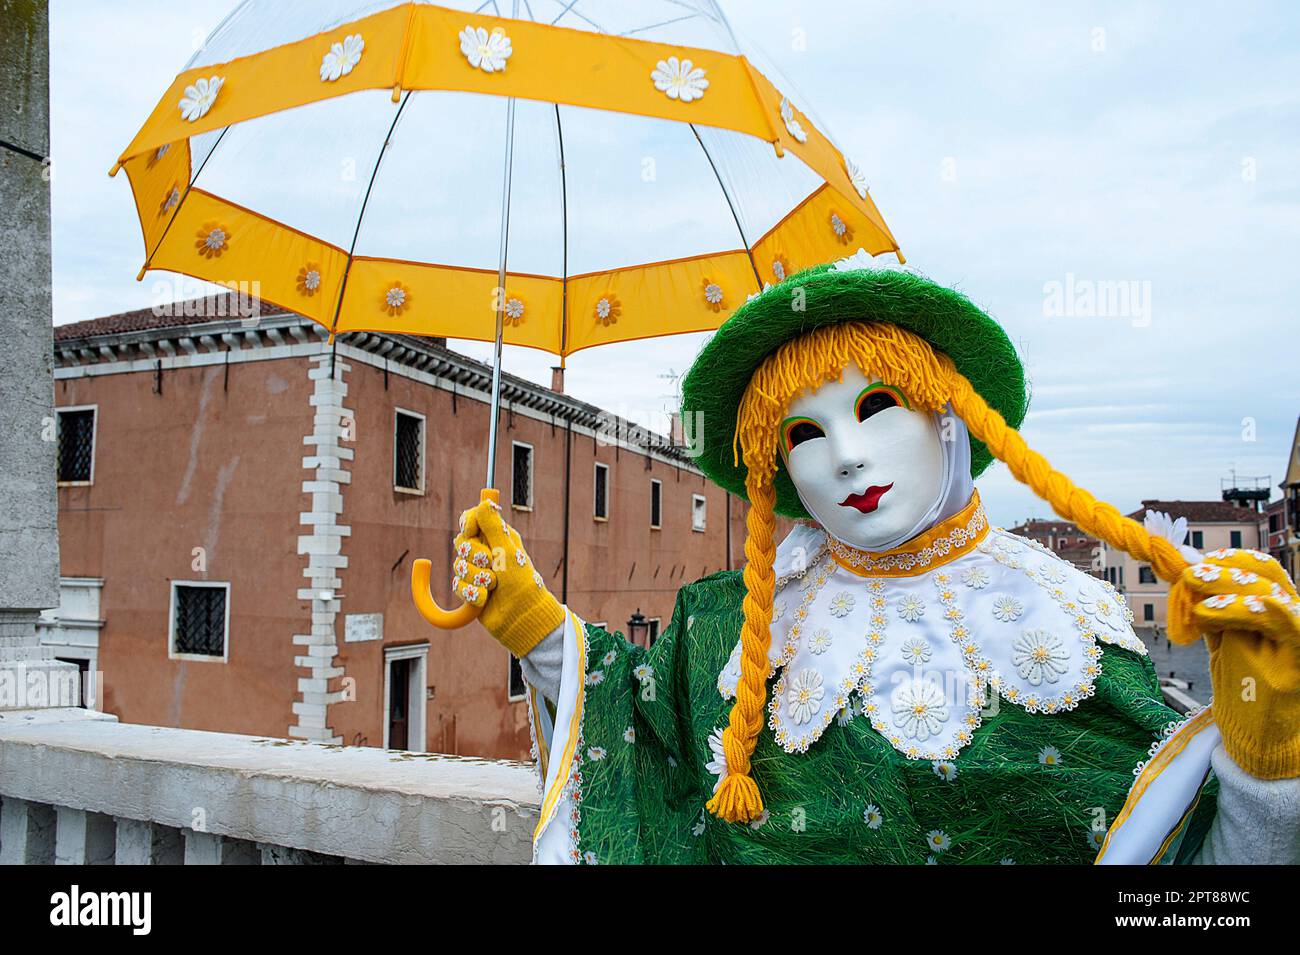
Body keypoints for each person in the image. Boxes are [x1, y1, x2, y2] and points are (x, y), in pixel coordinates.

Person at [449, 257, 1300, 864]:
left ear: (949, 419)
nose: (847, 459)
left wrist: (1270, 762)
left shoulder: (1064, 621)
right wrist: (535, 622)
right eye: (805, 434)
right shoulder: (732, 621)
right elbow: (642, 731)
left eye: (876, 405)